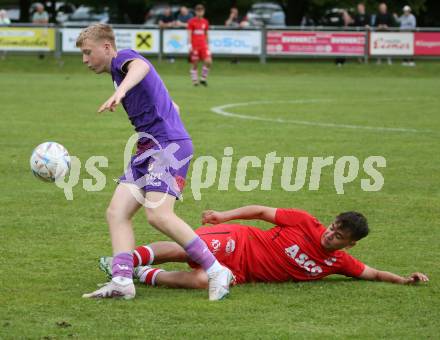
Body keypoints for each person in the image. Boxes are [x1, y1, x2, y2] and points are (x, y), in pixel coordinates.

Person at [75, 24, 233, 301]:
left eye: (88, 53)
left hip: (166, 146)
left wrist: (121, 92)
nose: (85, 60)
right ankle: (122, 280)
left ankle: (217, 270)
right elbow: (173, 105)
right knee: (116, 212)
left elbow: (141, 68)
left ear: (107, 48)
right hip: (149, 146)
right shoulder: (116, 71)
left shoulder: (125, 59)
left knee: (158, 214)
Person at [98, 206, 429, 289]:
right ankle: (124, 262)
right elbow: (260, 212)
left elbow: (370, 273)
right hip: (239, 240)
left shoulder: (337, 263)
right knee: (190, 248)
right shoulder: (303, 222)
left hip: (239, 273)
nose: (330, 235)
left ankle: (146, 276)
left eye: (339, 236)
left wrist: (402, 280)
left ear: (350, 243)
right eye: (333, 227)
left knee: (204, 282)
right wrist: (221, 216)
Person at [187, 4, 211, 86]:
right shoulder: (191, 22)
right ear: (195, 12)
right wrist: (189, 45)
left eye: (201, 11)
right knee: (195, 63)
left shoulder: (205, 22)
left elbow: (207, 34)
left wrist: (208, 45)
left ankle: (203, 78)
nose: (200, 12)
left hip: (203, 45)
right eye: (198, 11)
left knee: (208, 61)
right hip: (195, 46)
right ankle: (194, 81)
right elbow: (189, 34)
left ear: (203, 12)